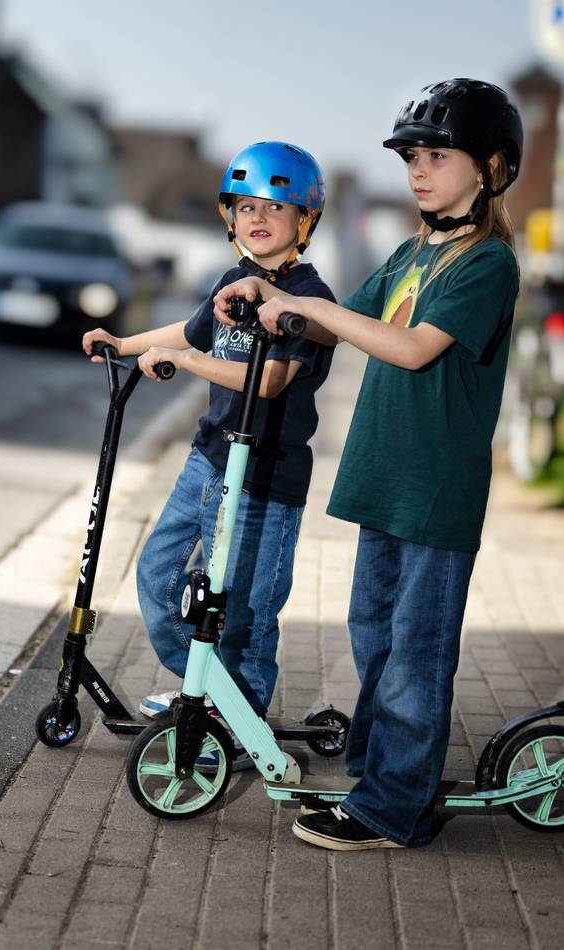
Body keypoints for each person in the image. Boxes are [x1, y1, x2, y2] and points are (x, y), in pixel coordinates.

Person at [214, 79, 523, 844]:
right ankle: (379, 772)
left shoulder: (487, 265)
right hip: (384, 477)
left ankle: (395, 808)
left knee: (417, 656)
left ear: (490, 168)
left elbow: (414, 347)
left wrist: (316, 310)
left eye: (438, 156)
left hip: (434, 489)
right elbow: (340, 323)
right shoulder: (413, 250)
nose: (418, 170)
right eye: (413, 156)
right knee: (375, 640)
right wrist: (270, 292)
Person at [83, 142, 336, 768]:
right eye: (246, 205)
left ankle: (240, 718)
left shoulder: (307, 296)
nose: (259, 218)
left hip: (265, 477)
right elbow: (188, 333)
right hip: (207, 460)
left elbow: (271, 379)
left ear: (304, 221)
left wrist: (193, 364)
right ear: (228, 217)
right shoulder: (230, 284)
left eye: (277, 208)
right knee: (159, 574)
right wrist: (124, 342)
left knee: (247, 607)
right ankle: (205, 690)